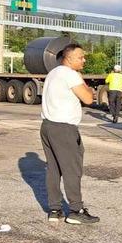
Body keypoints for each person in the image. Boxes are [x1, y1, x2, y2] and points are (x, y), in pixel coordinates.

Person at [40, 43, 99, 224]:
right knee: (72, 169)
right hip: (64, 128)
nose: (84, 60)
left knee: (54, 168)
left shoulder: (53, 73)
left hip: (47, 126)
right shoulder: (70, 74)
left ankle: (54, 209)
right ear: (69, 58)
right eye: (81, 57)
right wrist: (85, 84)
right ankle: (75, 210)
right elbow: (88, 98)